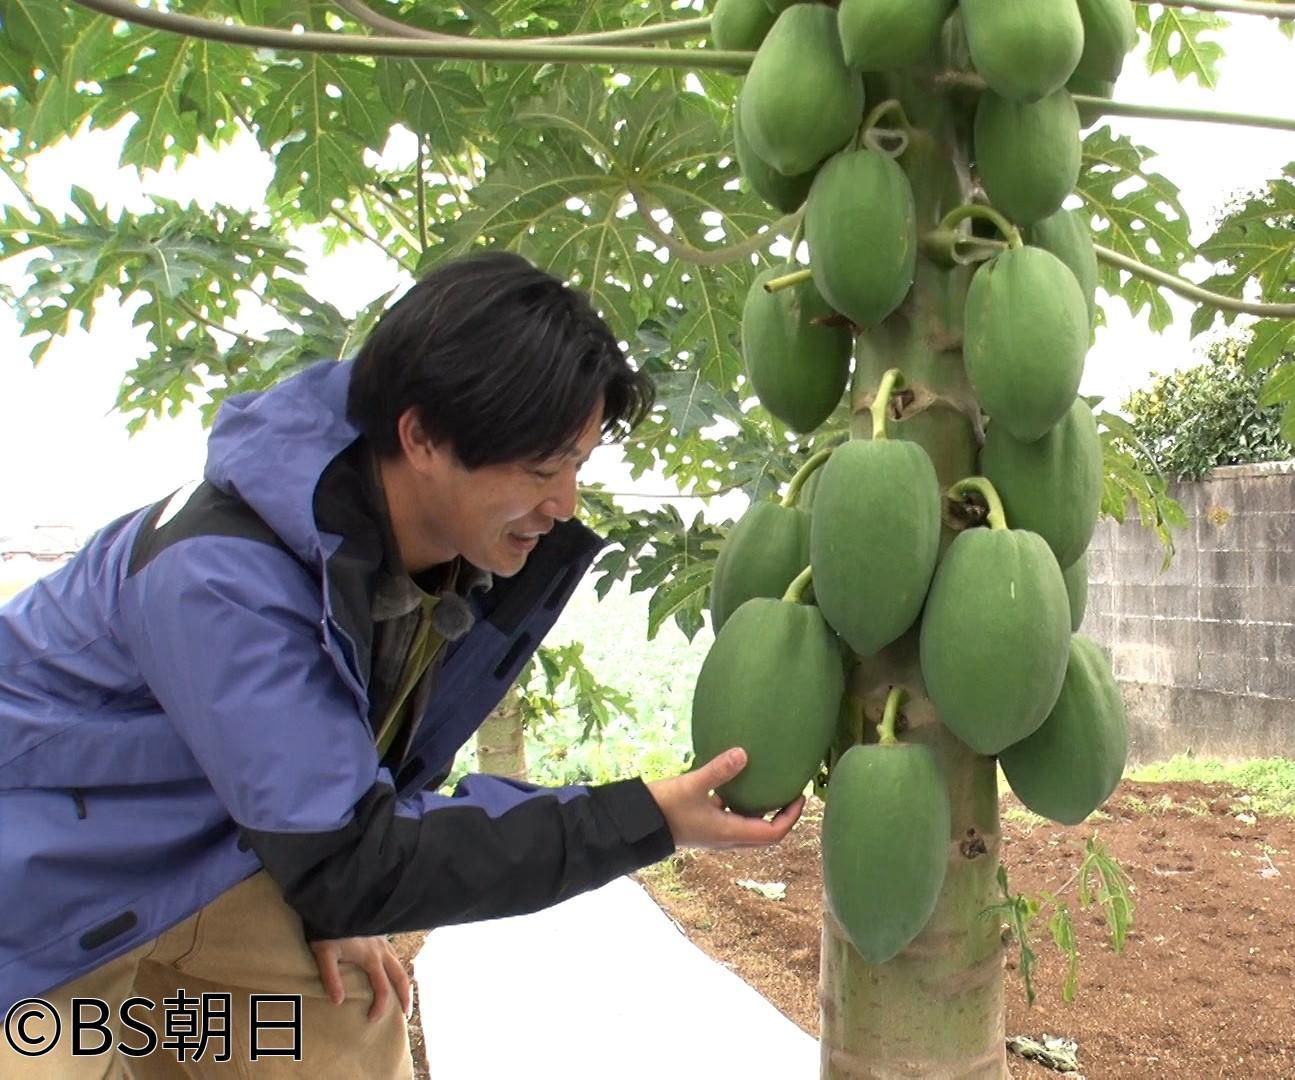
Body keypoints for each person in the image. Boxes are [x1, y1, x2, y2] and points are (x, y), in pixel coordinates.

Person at [0, 250, 803, 1076]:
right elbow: (356, 856)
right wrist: (648, 818)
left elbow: (334, 811)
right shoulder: (220, 578)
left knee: (344, 1027)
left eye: (577, 466)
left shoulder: (429, 562)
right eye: (540, 467)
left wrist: (331, 883)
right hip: (38, 900)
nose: (564, 503)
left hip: (215, 858)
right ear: (420, 436)